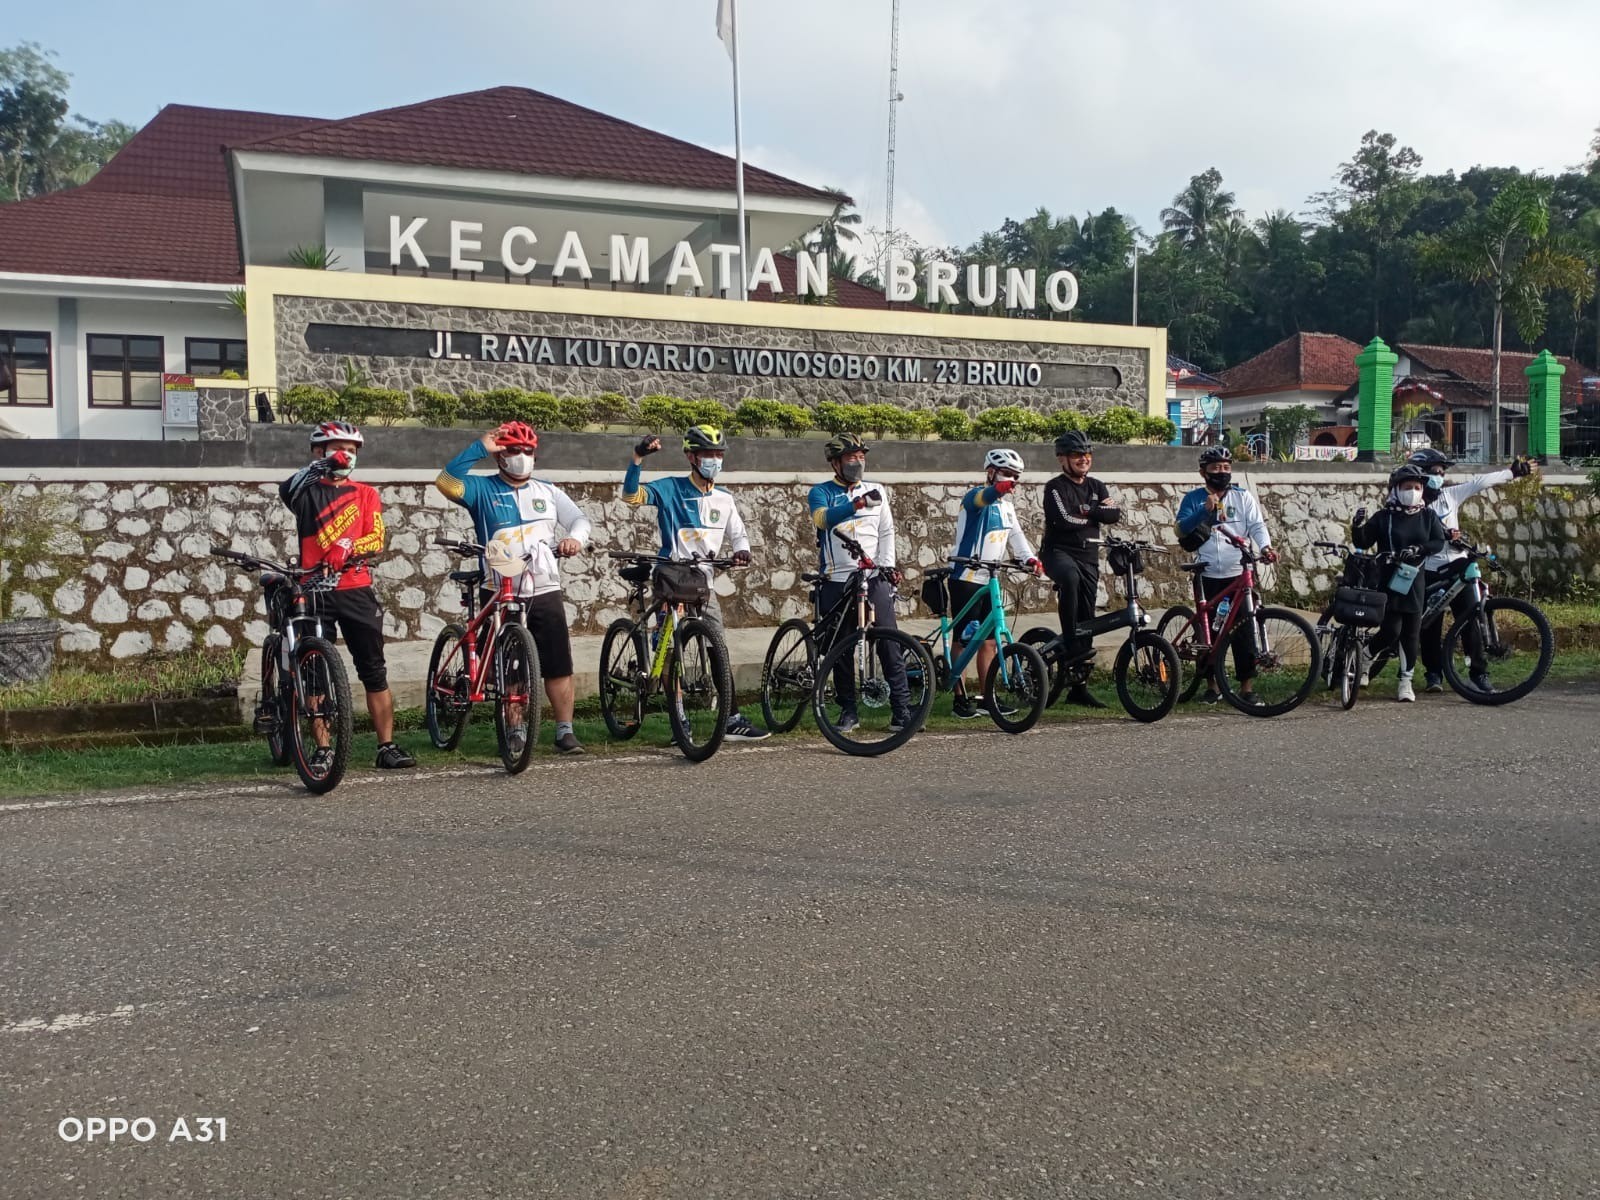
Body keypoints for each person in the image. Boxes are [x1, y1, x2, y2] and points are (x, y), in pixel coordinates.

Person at [435, 420, 592, 755]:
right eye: (513, 451)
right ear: (500, 456)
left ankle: (565, 731)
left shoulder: (548, 491)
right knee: (512, 669)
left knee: (558, 663)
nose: (522, 456)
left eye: (528, 451)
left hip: (544, 587)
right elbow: (446, 482)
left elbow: (580, 520)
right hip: (499, 586)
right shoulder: (481, 489)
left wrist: (573, 540)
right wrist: (479, 448)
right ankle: (516, 728)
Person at [278, 419, 415, 769]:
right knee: (315, 674)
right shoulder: (305, 493)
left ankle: (386, 747)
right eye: (339, 449)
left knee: (374, 670)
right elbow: (287, 488)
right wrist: (322, 465)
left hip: (356, 588)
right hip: (313, 591)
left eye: (352, 451)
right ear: (318, 451)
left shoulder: (366, 493)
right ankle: (323, 749)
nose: (346, 457)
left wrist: (347, 544)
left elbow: (376, 538)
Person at [623, 425, 769, 740]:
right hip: (672, 579)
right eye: (708, 454)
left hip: (704, 584)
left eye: (718, 454)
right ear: (691, 456)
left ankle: (731, 719)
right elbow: (631, 496)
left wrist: (742, 550)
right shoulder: (670, 488)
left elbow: (738, 533)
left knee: (718, 647)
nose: (714, 460)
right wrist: (638, 458)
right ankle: (679, 721)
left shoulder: (724, 498)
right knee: (670, 652)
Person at [807, 433, 913, 733]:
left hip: (872, 576)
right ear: (835, 463)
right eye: (852, 458)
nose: (858, 462)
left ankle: (902, 710)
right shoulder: (821, 492)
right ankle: (848, 710)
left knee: (889, 642)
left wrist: (888, 567)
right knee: (840, 649)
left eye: (861, 456)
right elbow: (822, 519)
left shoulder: (876, 490)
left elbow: (886, 532)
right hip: (837, 579)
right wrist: (856, 505)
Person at [1407, 447, 1534, 692]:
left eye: (1442, 472)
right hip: (1428, 568)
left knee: (1471, 619)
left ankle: (1479, 674)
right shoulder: (1411, 500)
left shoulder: (1450, 495)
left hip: (1457, 565)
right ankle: (1433, 674)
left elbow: (1480, 482)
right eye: (1435, 472)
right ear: (1420, 474)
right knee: (1428, 623)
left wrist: (1512, 473)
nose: (1440, 477)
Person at [1175, 445, 1279, 707]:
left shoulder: (1242, 498)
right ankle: (1212, 686)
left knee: (1243, 631)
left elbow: (1256, 525)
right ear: (1203, 472)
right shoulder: (1193, 498)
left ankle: (1246, 688)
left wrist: (1265, 547)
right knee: (1209, 631)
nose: (1221, 472)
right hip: (1207, 572)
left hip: (1238, 572)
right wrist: (1204, 511)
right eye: (1215, 468)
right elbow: (1180, 529)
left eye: (1226, 467)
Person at [948, 447, 1044, 719]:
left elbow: (1017, 539)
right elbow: (982, 498)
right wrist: (997, 489)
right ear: (990, 472)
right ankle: (959, 699)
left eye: (1016, 477)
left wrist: (1031, 560)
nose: (1012, 481)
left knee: (989, 642)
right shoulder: (975, 498)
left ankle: (986, 697)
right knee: (965, 640)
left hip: (989, 578)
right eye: (1006, 475)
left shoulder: (1008, 508)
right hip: (965, 577)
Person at [1351, 464, 1448, 702]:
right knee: (1391, 631)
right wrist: (1357, 526)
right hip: (1389, 579)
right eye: (1407, 487)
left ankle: (1406, 682)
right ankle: (1364, 659)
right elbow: (1363, 541)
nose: (1413, 491)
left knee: (1411, 635)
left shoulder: (1428, 516)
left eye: (1417, 487)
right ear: (1396, 489)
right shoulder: (1385, 517)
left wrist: (1420, 549)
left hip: (1415, 580)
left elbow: (1438, 542)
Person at [1040, 429, 1120, 708]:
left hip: (1088, 556)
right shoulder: (1054, 487)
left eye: (1087, 454)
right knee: (1069, 579)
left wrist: (1087, 511)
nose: (1084, 459)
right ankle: (1069, 634)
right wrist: (1094, 512)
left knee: (1088, 614)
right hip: (1057, 553)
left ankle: (1079, 687)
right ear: (1062, 459)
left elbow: (1114, 514)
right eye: (1077, 454)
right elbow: (1062, 520)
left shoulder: (1097, 485)